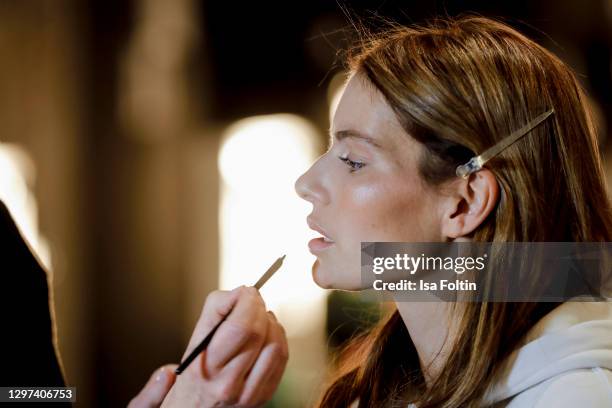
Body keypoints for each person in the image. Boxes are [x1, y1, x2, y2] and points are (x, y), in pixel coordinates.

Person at [292, 15, 612, 407]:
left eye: (353, 160)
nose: (306, 184)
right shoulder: (378, 393)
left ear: (466, 203)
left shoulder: (579, 399)